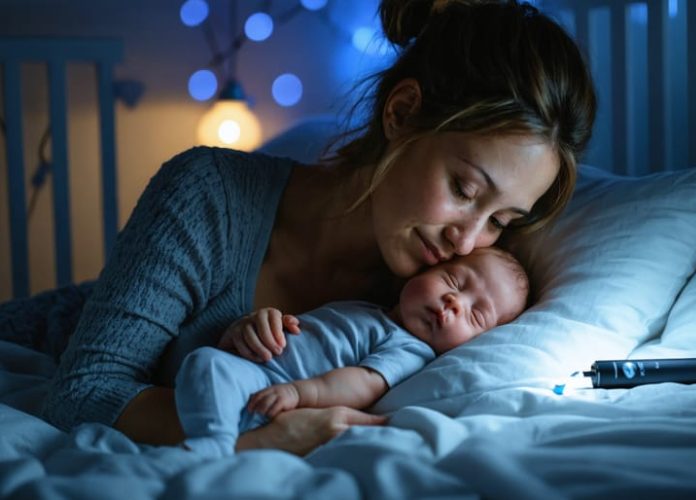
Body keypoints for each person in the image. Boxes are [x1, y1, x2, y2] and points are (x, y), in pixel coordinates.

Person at [2, 0, 595, 455]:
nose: (465, 241)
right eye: (464, 190)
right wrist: (264, 436)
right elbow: (82, 393)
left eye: (501, 221)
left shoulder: (442, 304)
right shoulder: (209, 195)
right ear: (402, 113)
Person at [176, 246, 529, 458]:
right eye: (453, 281)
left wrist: (299, 392)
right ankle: (212, 439)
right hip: (256, 372)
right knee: (205, 362)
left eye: (475, 314)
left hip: (279, 397)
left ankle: (215, 444)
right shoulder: (369, 309)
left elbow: (363, 383)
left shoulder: (411, 350)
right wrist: (256, 327)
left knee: (208, 368)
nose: (454, 302)